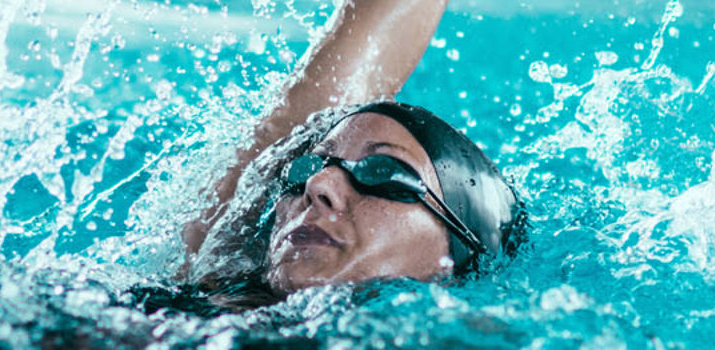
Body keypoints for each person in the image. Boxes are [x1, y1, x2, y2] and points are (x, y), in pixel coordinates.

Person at [169, 0, 528, 310]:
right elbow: (284, 131)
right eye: (304, 169)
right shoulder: (201, 291)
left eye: (383, 172)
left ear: (458, 252)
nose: (317, 184)